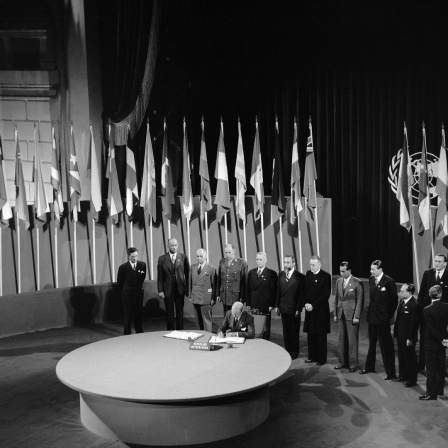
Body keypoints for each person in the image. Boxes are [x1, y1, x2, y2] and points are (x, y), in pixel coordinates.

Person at [359, 260, 398, 380]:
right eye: (371, 269)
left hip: (383, 319)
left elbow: (394, 301)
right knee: (372, 343)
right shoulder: (371, 279)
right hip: (372, 317)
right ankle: (369, 366)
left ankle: (391, 373)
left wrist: (387, 316)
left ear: (380, 269)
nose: (371, 271)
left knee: (386, 346)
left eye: (373, 269)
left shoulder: (389, 281)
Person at [417, 254, 448, 371]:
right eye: (435, 261)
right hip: (427, 313)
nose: (437, 263)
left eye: (439, 261)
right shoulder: (428, 273)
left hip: (441, 316)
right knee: (425, 337)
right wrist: (420, 309)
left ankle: (441, 368)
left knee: (441, 338)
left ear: (445, 263)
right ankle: (421, 365)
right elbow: (422, 293)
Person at [334, 261, 364, 372]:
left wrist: (357, 316)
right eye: (340, 271)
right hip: (341, 313)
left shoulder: (357, 282)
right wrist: (335, 314)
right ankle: (341, 362)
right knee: (341, 340)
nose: (341, 273)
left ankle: (353, 365)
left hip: (351, 315)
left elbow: (360, 301)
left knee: (352, 341)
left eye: (343, 271)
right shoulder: (338, 281)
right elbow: (337, 298)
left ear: (349, 271)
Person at [419, 285, 448, 400]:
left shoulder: (427, 309)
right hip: (443, 344)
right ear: (440, 294)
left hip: (431, 343)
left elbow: (430, 328)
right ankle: (440, 390)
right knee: (441, 367)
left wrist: (440, 339)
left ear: (430, 295)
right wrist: (445, 339)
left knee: (431, 369)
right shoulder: (447, 307)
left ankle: (431, 393)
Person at [303, 255, 332, 366]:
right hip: (309, 310)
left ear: (319, 264)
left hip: (320, 311)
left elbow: (325, 295)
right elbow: (305, 290)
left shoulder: (326, 276)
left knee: (320, 335)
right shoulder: (308, 274)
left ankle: (321, 358)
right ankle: (312, 356)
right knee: (310, 334)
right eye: (310, 264)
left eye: (313, 265)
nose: (311, 267)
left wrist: (313, 305)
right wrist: (305, 303)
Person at [275, 255, 305, 359]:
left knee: (294, 331)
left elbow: (301, 295)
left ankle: (294, 351)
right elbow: (278, 291)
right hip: (283, 307)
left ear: (293, 263)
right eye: (284, 262)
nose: (286, 265)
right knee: (285, 331)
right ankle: (287, 350)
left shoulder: (300, 276)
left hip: (294, 308)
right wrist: (277, 305)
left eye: (288, 263)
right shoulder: (281, 274)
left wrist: (299, 308)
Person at [157, 238, 190, 330]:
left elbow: (188, 274)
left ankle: (180, 330)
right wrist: (160, 290)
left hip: (180, 289)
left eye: (175, 245)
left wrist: (188, 289)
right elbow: (160, 276)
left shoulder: (183, 257)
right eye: (172, 245)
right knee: (169, 312)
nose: (174, 247)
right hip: (168, 290)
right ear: (168, 246)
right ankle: (170, 330)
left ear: (177, 245)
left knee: (180, 312)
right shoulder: (162, 259)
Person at [246, 252, 278, 340]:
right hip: (254, 303)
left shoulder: (271, 273)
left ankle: (266, 343)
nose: (258, 261)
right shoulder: (251, 273)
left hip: (265, 304)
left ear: (265, 260)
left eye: (261, 259)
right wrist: (248, 303)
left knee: (265, 326)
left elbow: (273, 290)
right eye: (257, 259)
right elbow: (248, 289)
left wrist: (272, 304)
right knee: (254, 325)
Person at [393, 283, 420, 387]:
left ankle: (412, 380)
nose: (400, 292)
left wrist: (410, 338)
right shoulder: (402, 301)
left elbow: (414, 324)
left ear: (409, 293)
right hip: (400, 335)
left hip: (408, 337)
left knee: (410, 358)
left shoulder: (414, 305)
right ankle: (403, 375)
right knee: (401, 357)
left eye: (402, 291)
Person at [117, 247, 147, 335]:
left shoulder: (142, 265)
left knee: (138, 315)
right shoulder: (123, 267)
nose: (135, 258)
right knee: (127, 316)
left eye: (136, 256)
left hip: (138, 294)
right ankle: (127, 334)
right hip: (127, 295)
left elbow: (142, 278)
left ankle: (139, 332)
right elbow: (120, 282)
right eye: (133, 256)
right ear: (128, 256)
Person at [189, 248, 217, 332]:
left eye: (201, 256)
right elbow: (190, 282)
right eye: (197, 256)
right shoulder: (192, 267)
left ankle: (208, 336)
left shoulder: (211, 268)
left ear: (206, 256)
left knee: (206, 319)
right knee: (197, 320)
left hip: (206, 297)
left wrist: (213, 298)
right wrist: (190, 295)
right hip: (195, 296)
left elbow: (214, 285)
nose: (199, 258)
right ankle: (199, 335)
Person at [216, 244, 248, 314]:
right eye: (226, 252)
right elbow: (219, 279)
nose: (227, 254)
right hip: (225, 294)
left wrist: (243, 297)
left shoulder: (241, 263)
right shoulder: (222, 262)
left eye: (229, 252)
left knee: (236, 315)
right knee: (226, 314)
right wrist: (218, 294)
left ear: (234, 251)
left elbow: (244, 282)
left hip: (236, 295)